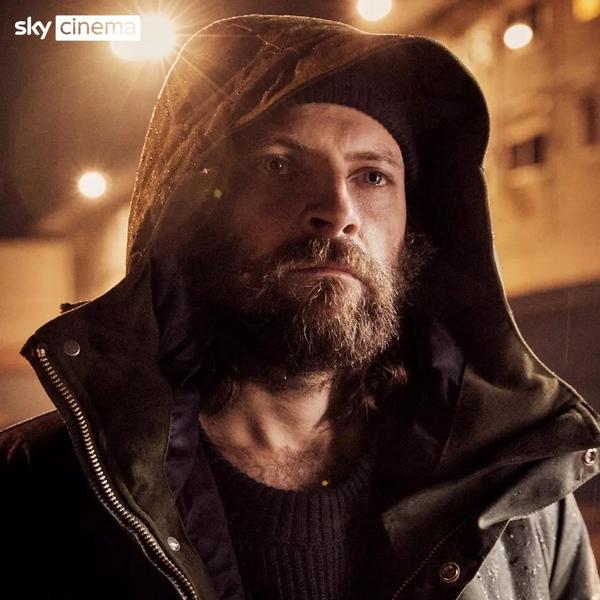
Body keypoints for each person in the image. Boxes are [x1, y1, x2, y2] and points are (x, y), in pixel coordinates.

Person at [1, 13, 599, 600]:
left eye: (372, 176)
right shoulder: (41, 490)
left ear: (413, 229)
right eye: (279, 165)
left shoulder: (511, 495)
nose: (337, 211)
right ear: (196, 214)